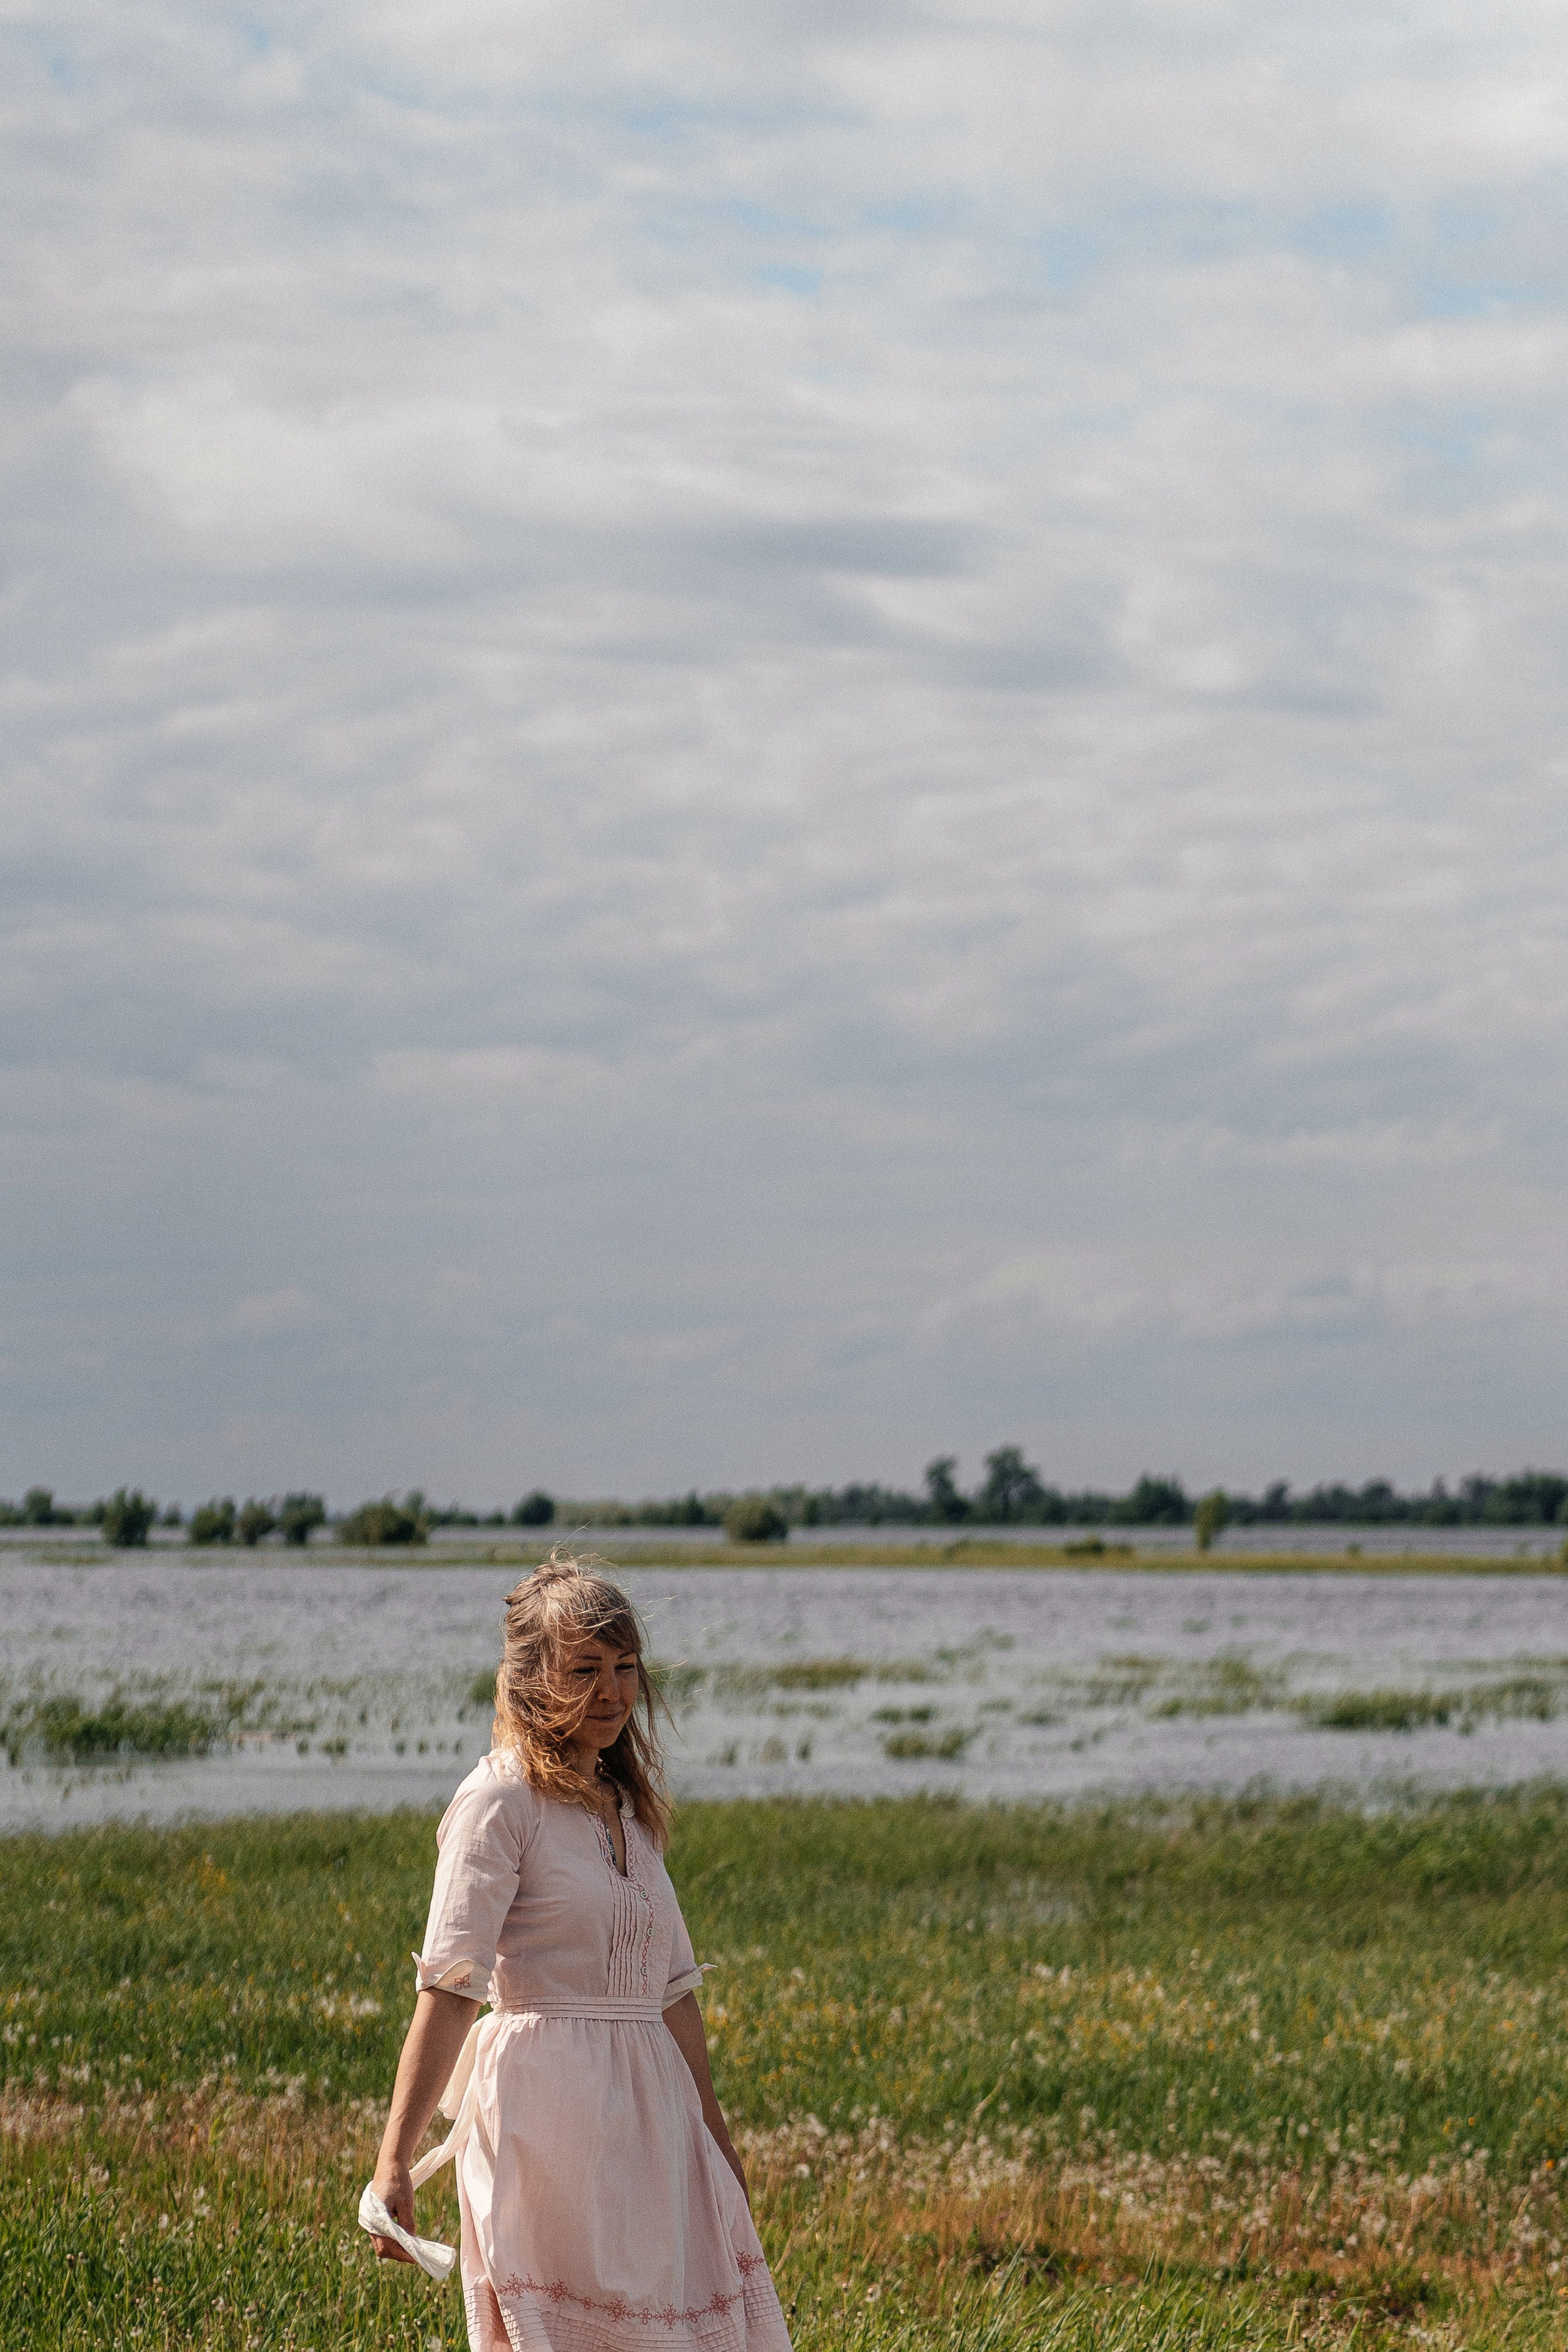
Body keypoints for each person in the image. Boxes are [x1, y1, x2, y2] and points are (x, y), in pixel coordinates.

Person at [366, 1553, 794, 2352]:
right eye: (585, 1669)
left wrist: (716, 2140)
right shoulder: (499, 1799)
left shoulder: (629, 1808)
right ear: (533, 1677)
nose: (611, 1692)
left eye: (625, 1667)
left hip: (653, 2122)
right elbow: (452, 1988)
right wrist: (395, 2161)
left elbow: (673, 1994)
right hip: (544, 2122)